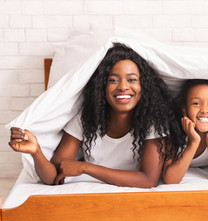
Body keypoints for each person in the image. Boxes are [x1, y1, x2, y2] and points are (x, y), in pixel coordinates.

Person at [9, 43, 184, 188]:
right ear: (102, 87)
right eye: (113, 80)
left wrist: (85, 167)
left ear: (143, 87)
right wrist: (36, 152)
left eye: (131, 80)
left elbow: (148, 180)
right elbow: (53, 176)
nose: (123, 87)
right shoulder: (85, 119)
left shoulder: (152, 122)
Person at [162, 79, 208, 184]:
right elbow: (170, 180)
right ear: (185, 110)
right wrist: (193, 142)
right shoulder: (174, 128)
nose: (204, 110)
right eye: (196, 103)